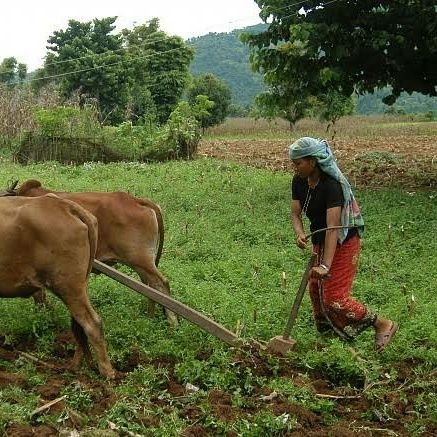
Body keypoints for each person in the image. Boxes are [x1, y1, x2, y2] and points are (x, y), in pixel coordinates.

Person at [289, 137, 398, 351]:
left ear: (313, 161)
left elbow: (334, 228)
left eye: (298, 163)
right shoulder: (299, 181)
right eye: (293, 163)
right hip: (321, 238)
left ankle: (383, 324)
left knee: (333, 297)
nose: (294, 167)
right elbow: (295, 213)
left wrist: (326, 266)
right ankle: (329, 341)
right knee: (315, 291)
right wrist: (300, 233)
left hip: (343, 240)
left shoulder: (332, 185)